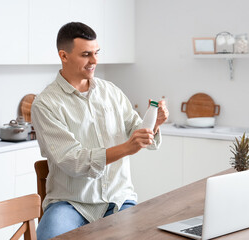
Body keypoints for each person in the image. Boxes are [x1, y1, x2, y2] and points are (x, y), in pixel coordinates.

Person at [31, 22, 169, 240]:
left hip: (118, 199)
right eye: (86, 54)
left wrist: (155, 123)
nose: (94, 61)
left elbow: (136, 130)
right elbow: (74, 160)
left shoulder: (110, 91)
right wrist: (126, 148)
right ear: (64, 56)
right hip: (71, 203)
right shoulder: (45, 104)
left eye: (96, 53)